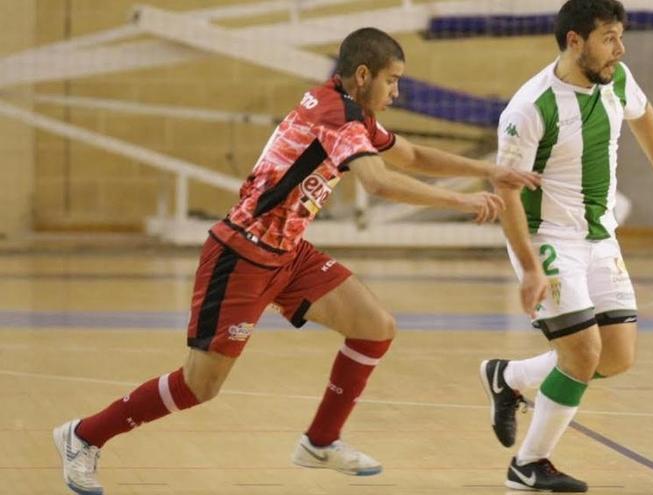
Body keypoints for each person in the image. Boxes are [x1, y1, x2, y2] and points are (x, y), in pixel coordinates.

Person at [53, 27, 541, 495]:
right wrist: (464, 202)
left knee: (375, 325)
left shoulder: (350, 111)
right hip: (241, 253)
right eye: (393, 80)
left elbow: (408, 156)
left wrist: (489, 169)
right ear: (365, 74)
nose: (397, 91)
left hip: (287, 253)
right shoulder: (337, 115)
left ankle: (320, 442)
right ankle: (84, 435)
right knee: (199, 386)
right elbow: (378, 182)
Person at [479, 0, 653, 492]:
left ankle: (509, 378)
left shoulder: (615, 78)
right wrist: (529, 267)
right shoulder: (531, 107)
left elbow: (644, 114)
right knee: (581, 351)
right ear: (576, 41)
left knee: (615, 357)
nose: (621, 47)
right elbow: (505, 191)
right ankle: (529, 464)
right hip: (547, 239)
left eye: (621, 35)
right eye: (610, 37)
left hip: (599, 236)